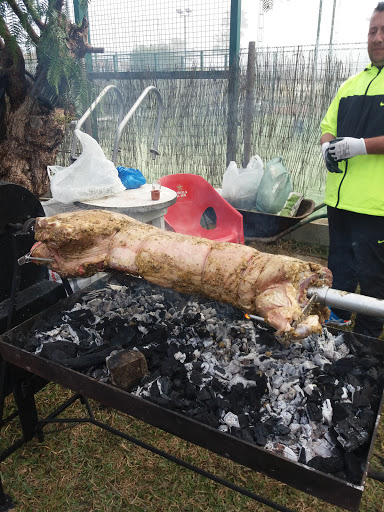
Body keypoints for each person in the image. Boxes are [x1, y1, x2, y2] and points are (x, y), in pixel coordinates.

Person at [320, 1, 384, 338]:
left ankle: (368, 348)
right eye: (372, 30)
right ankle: (335, 330)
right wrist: (325, 147)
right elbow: (328, 124)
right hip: (339, 203)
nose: (377, 37)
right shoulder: (350, 85)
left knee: (374, 282)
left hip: (376, 206)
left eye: (383, 30)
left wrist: (360, 146)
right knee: (339, 272)